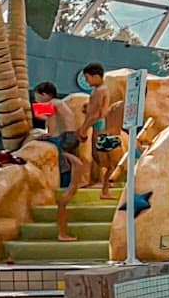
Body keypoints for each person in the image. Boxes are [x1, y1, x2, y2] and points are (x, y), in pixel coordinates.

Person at [34, 81, 84, 242]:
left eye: (38, 97)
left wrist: (49, 135)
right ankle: (68, 180)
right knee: (66, 161)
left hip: (63, 137)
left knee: (61, 160)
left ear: (45, 94)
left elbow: (37, 115)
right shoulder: (59, 104)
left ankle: (64, 184)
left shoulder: (53, 103)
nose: (38, 100)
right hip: (70, 136)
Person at [79, 63, 127, 200]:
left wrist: (83, 129)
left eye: (87, 77)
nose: (86, 81)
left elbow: (97, 114)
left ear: (95, 76)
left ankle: (105, 187)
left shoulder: (100, 91)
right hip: (100, 128)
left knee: (107, 161)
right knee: (103, 161)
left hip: (101, 128)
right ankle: (105, 189)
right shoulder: (98, 90)